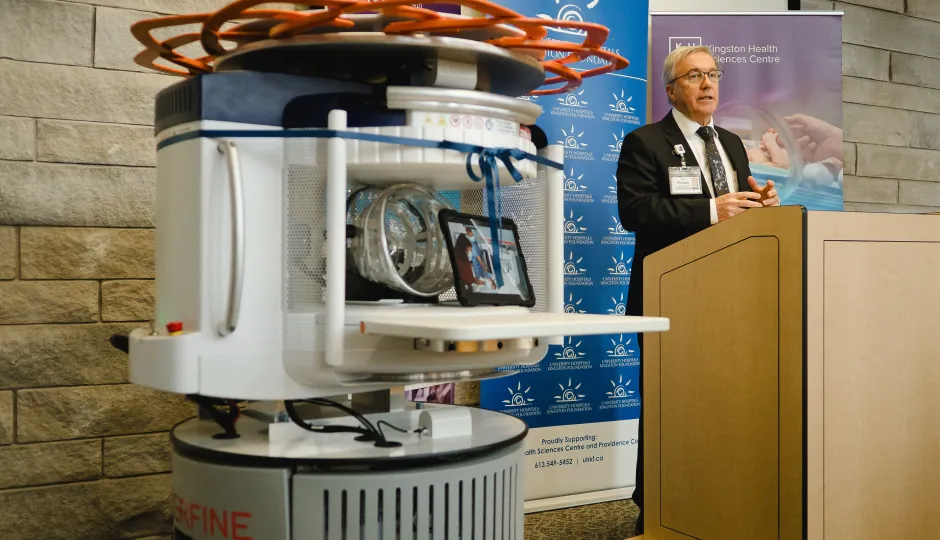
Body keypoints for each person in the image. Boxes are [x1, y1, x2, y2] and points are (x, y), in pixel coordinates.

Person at [615, 45, 780, 534]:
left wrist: (759, 203)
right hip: (668, 294)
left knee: (720, 402)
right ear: (671, 89)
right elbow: (636, 212)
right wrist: (713, 210)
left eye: (713, 74)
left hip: (727, 298)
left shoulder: (730, 143)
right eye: (694, 76)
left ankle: (713, 497)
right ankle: (657, 507)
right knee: (669, 403)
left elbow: (736, 209)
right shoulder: (645, 142)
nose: (708, 84)